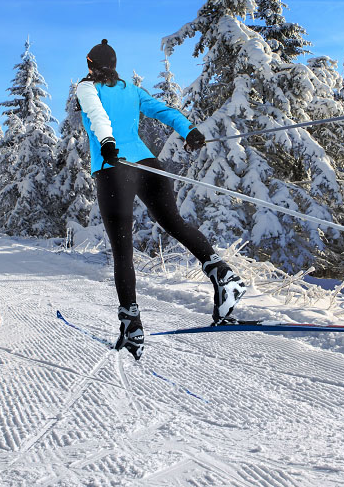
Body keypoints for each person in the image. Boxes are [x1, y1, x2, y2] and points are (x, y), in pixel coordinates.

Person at [76, 39, 246, 359]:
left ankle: (132, 326)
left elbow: (98, 115)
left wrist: (108, 141)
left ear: (90, 65)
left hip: (115, 168)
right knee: (174, 222)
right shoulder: (131, 90)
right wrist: (188, 130)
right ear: (113, 63)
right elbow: (162, 110)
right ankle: (222, 273)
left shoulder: (86, 88)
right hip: (148, 164)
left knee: (123, 249)